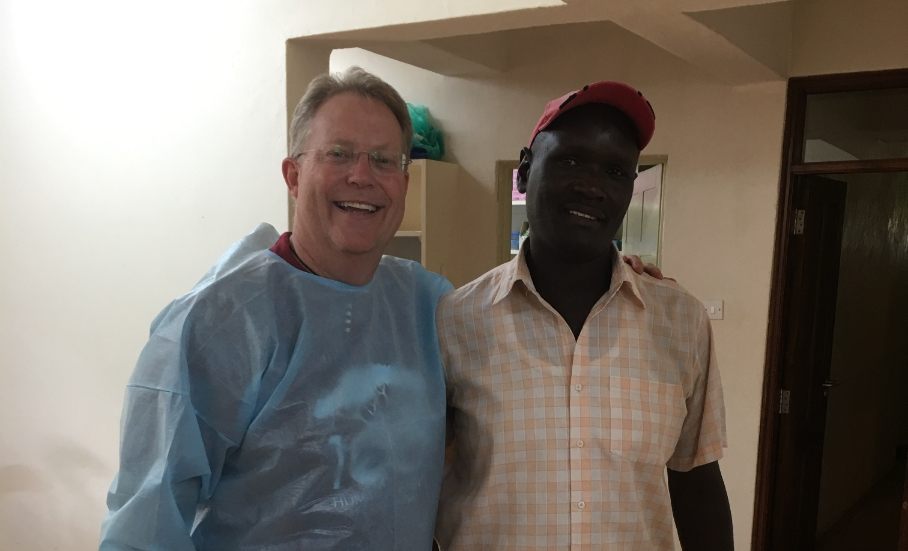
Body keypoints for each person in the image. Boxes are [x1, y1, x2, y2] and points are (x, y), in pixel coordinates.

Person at [100, 67, 453, 550]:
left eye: (384, 160)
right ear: (293, 175)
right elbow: (146, 522)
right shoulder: (223, 320)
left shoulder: (426, 305)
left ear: (404, 184)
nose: (362, 176)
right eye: (339, 154)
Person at [436, 81, 733, 550]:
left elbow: (696, 481)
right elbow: (418, 480)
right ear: (525, 170)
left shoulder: (680, 322)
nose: (592, 186)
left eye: (615, 171)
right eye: (570, 161)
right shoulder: (454, 321)